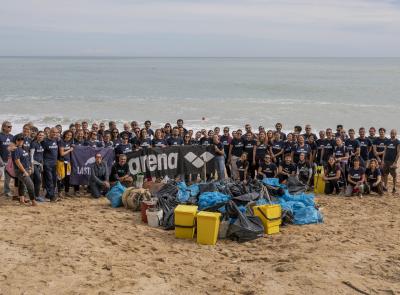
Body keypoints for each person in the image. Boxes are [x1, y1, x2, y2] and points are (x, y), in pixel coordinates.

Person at [12, 134, 36, 206]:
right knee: (30, 185)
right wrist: (24, 171)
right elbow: (18, 162)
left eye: (22, 140)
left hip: (26, 169)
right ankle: (33, 202)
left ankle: (21, 200)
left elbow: (27, 159)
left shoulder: (23, 149)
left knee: (22, 184)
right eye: (18, 140)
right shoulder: (15, 150)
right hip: (20, 170)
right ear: (15, 141)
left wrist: (30, 168)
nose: (20, 141)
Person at [42, 127, 59, 201]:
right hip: (47, 163)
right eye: (53, 132)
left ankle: (50, 195)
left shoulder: (56, 140)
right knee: (49, 179)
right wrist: (42, 163)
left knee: (54, 179)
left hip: (54, 163)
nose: (54, 134)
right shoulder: (45, 141)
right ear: (50, 132)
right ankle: (50, 196)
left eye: (56, 133)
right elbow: (41, 152)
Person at [383, 129, 400, 194]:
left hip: (392, 161)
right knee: (385, 174)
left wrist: (395, 162)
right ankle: (385, 186)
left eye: (394, 133)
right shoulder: (387, 141)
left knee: (394, 175)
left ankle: (394, 188)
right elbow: (385, 151)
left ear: (396, 134)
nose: (392, 134)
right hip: (386, 160)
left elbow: (398, 153)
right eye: (391, 133)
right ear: (390, 133)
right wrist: (383, 160)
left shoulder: (397, 142)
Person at [58, 130, 74, 197]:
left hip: (68, 162)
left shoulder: (70, 142)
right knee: (61, 177)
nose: (69, 136)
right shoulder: (61, 141)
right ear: (65, 134)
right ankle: (60, 192)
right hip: (61, 162)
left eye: (70, 135)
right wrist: (69, 150)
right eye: (67, 135)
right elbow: (62, 153)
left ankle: (67, 192)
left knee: (68, 177)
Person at [30, 131, 45, 201]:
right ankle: (36, 196)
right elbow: (31, 155)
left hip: (39, 164)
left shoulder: (41, 144)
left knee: (36, 180)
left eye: (42, 135)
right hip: (34, 164)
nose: (41, 136)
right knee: (38, 180)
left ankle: (35, 196)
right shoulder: (33, 143)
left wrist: (41, 165)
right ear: (37, 135)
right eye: (39, 135)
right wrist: (32, 165)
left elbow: (41, 156)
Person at [0, 121, 14, 197]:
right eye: (9, 127)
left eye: (11, 127)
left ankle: (6, 191)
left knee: (8, 177)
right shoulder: (0, 136)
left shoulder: (12, 136)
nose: (10, 128)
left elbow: (13, 147)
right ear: (4, 127)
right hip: (1, 159)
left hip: (9, 160)